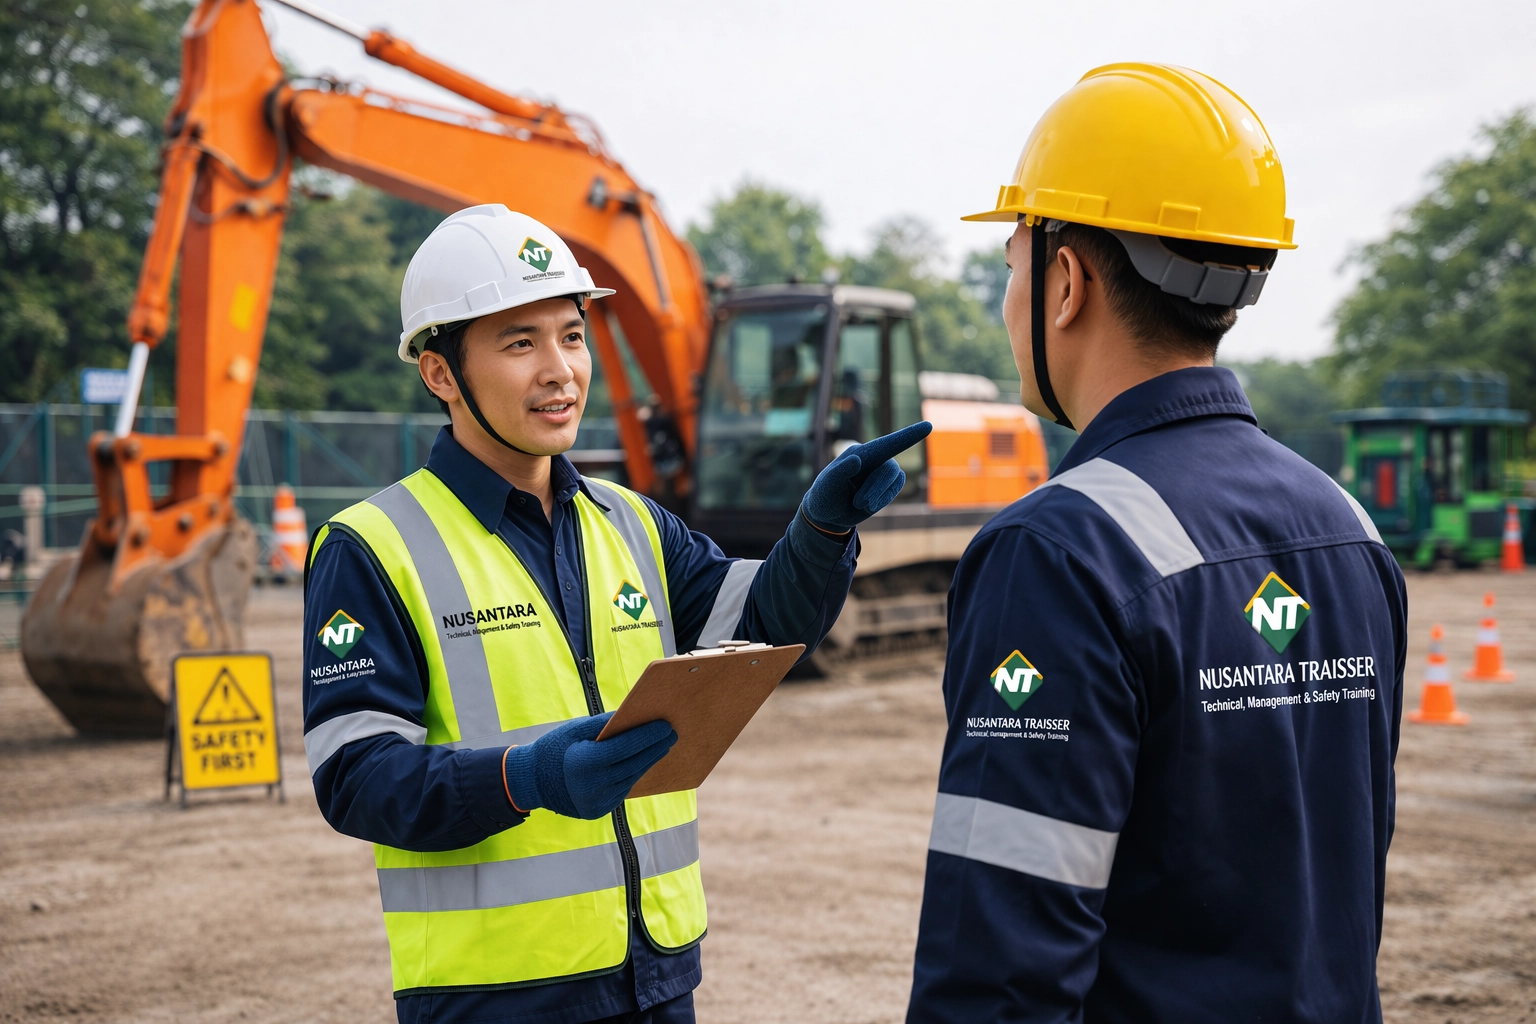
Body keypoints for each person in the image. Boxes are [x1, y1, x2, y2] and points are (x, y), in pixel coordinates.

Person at [300, 204, 930, 1024]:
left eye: (571, 334)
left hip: (656, 978)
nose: (560, 369)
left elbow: (766, 624)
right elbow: (356, 779)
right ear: (440, 374)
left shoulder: (632, 523)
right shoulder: (373, 547)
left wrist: (819, 531)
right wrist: (526, 777)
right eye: (519, 342)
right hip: (497, 995)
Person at [906, 64, 1406, 1022]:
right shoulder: (1351, 530)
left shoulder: (1057, 554)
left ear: (1064, 281)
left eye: (1012, 265)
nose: (1007, 302)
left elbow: (1001, 968)